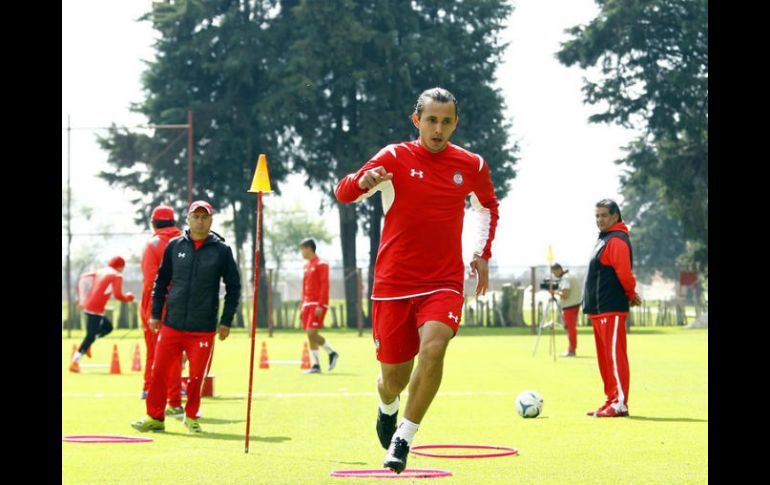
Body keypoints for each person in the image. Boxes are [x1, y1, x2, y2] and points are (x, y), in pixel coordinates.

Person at [335, 87, 499, 473]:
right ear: (416, 120)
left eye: (446, 122)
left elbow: (487, 206)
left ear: (455, 123)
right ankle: (387, 407)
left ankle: (403, 438)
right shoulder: (394, 156)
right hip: (393, 285)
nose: (438, 129)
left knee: (434, 348)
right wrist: (363, 181)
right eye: (431, 120)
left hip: (443, 281)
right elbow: (344, 193)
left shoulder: (471, 164)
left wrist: (480, 254)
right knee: (393, 380)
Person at [131, 200, 241, 434]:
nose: (200, 221)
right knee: (158, 371)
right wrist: (155, 314)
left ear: (211, 220)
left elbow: (234, 286)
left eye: (204, 217)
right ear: (188, 219)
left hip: (202, 327)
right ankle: (155, 417)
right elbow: (160, 283)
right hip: (172, 323)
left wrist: (226, 320)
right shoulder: (174, 245)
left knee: (196, 377)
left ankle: (191, 417)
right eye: (196, 216)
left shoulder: (222, 251)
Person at [583, 199, 642, 418]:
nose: (599, 220)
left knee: (615, 357)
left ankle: (620, 403)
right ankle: (611, 399)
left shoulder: (616, 240)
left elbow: (624, 274)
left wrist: (631, 294)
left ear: (616, 216)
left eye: (604, 215)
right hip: (599, 310)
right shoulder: (604, 239)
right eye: (597, 216)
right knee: (605, 358)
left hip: (611, 308)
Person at [139, 204, 185, 418]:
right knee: (175, 354)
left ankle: (150, 390)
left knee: (154, 351)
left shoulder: (152, 244)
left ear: (154, 223)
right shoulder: (185, 241)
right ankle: (174, 398)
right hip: (182, 305)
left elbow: (150, 281)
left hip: (157, 305)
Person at [70, 257, 135, 372]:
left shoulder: (101, 271)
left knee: (108, 327)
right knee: (90, 336)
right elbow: (118, 295)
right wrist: (128, 297)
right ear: (121, 267)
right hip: (95, 309)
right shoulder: (117, 275)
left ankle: (88, 345)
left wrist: (81, 299)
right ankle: (74, 362)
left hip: (91, 306)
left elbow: (83, 277)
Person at [299, 238, 339, 374]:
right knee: (310, 335)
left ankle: (332, 353)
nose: (301, 252)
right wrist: (302, 305)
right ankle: (316, 365)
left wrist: (321, 305)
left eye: (302, 249)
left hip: (317, 304)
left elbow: (324, 285)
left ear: (309, 248)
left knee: (311, 332)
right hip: (307, 305)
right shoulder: (306, 266)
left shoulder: (322, 264)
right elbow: (304, 288)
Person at [550, 263, 582, 357]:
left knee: (570, 328)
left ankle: (571, 350)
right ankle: (571, 349)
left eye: (554, 272)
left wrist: (555, 292)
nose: (554, 275)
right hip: (574, 304)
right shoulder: (570, 276)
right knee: (571, 328)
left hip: (569, 306)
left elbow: (565, 294)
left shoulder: (565, 279)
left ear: (558, 270)